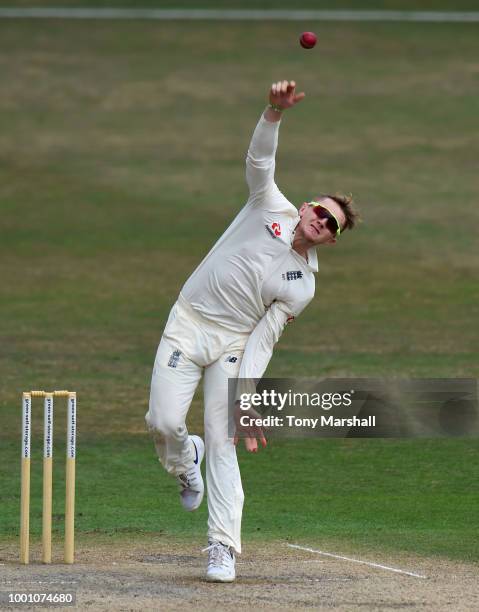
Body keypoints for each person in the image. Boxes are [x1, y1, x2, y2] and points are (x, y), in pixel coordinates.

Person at [145, 80, 359, 583]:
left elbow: (263, 340)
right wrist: (273, 113)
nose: (323, 223)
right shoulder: (269, 206)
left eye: (333, 226)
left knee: (223, 439)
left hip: (233, 347)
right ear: (306, 207)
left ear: (332, 240)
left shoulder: (302, 286)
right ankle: (183, 462)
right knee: (163, 423)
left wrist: (246, 397)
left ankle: (222, 547)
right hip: (188, 323)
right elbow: (259, 162)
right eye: (322, 212)